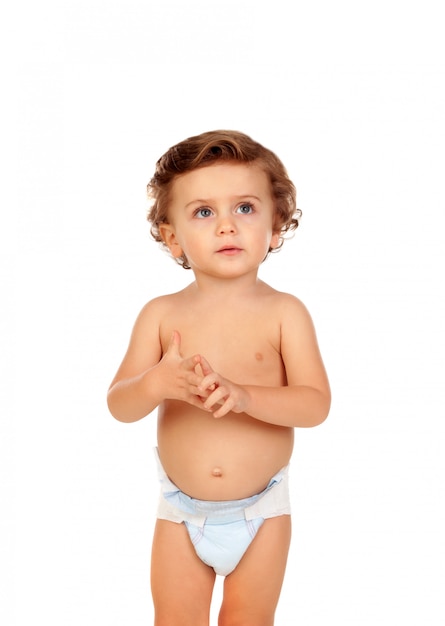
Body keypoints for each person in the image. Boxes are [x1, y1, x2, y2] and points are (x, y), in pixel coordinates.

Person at [107, 130, 331, 626]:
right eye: (204, 212)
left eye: (245, 209)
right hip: (180, 512)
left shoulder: (284, 313)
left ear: (276, 227)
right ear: (173, 239)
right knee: (175, 619)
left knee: (249, 619)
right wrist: (156, 384)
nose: (227, 226)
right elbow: (119, 404)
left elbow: (315, 404)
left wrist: (247, 395)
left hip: (262, 512)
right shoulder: (160, 316)